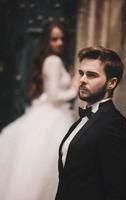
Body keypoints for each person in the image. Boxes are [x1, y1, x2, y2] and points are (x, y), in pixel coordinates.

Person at [0, 21, 77, 200]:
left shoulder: (52, 60)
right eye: (54, 39)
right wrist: (74, 87)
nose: (59, 43)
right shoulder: (53, 60)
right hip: (54, 115)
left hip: (53, 114)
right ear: (46, 41)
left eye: (62, 39)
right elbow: (53, 96)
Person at [55, 46, 126, 200]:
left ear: (111, 83)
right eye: (81, 73)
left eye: (91, 75)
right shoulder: (82, 120)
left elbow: (120, 190)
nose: (82, 80)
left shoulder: (114, 125)